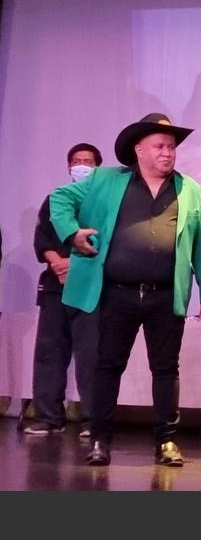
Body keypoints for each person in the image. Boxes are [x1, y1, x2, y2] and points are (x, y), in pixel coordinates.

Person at [49, 114, 201, 467]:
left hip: (164, 294)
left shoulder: (189, 188)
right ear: (138, 150)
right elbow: (60, 199)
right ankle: (100, 439)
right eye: (160, 146)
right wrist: (72, 233)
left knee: (166, 369)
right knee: (108, 366)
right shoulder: (107, 180)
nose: (168, 153)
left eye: (171, 147)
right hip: (117, 293)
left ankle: (167, 442)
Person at [23, 143, 103, 438]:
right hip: (55, 286)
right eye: (76, 161)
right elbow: (43, 237)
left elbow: (104, 240)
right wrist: (57, 262)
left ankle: (93, 420)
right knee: (49, 353)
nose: (81, 165)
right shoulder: (54, 200)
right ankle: (48, 416)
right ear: (68, 167)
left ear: (98, 167)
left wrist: (76, 265)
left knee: (91, 355)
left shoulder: (103, 200)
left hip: (89, 286)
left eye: (88, 161)